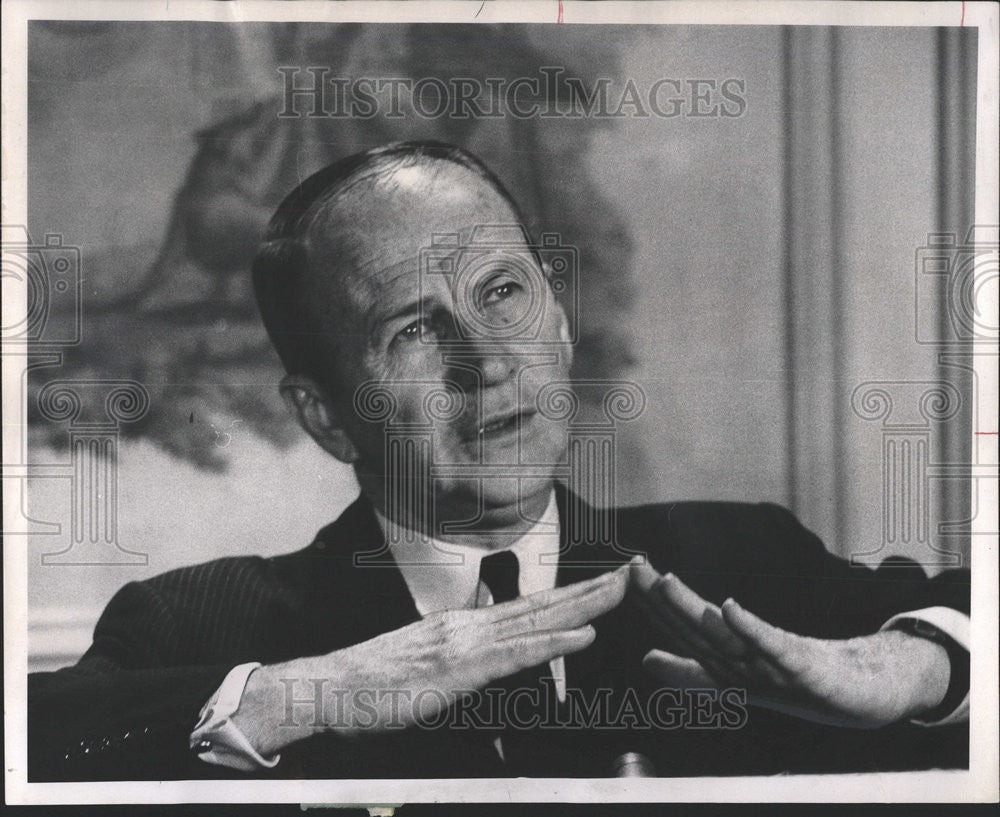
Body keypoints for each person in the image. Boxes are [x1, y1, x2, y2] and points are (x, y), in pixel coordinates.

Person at [28, 142, 970, 781]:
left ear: (557, 326)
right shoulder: (197, 623)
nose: (488, 362)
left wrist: (915, 669)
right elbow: (36, 741)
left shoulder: (738, 560)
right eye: (414, 332)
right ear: (326, 417)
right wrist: (311, 693)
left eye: (504, 293)